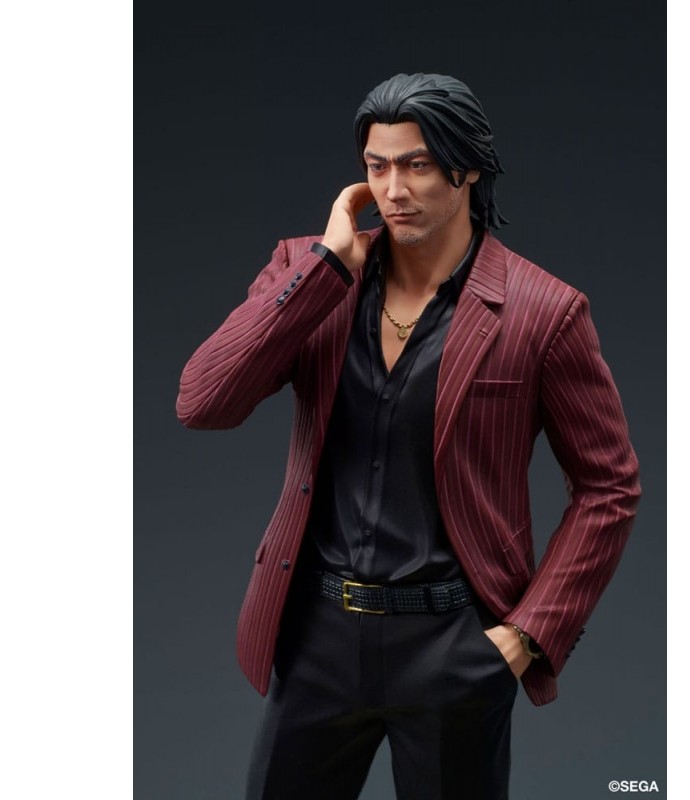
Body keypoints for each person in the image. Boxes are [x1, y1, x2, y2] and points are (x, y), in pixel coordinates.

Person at [176, 72, 641, 800]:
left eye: (417, 165)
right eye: (377, 166)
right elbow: (203, 401)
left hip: (453, 644)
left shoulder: (543, 311)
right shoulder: (310, 274)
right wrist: (325, 270)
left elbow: (609, 486)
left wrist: (525, 638)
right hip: (318, 636)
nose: (394, 189)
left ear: (468, 168)